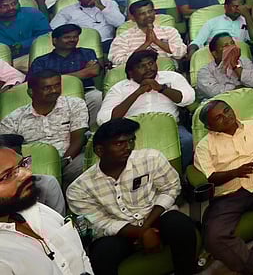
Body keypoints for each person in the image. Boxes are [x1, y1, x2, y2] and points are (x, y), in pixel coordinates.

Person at [67, 118, 197, 275]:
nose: (128, 147)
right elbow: (98, 223)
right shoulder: (79, 188)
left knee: (181, 225)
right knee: (102, 253)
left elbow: (171, 188)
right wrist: (139, 233)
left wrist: (145, 228)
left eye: (131, 141)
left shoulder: (151, 159)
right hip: (120, 233)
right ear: (100, 151)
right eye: (119, 144)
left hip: (156, 218)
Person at [193, 99, 253, 275]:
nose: (226, 117)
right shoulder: (204, 146)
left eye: (227, 110)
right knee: (213, 236)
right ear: (210, 127)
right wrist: (235, 172)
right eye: (218, 118)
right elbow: (210, 178)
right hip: (228, 195)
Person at [0, 145, 93, 275]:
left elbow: (80, 256)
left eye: (23, 164)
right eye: (7, 175)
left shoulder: (37, 209)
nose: (27, 174)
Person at [97, 50, 195, 166]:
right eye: (141, 66)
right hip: (132, 131)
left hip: (170, 127)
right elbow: (103, 119)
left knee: (187, 141)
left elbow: (188, 98)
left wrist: (161, 89)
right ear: (131, 72)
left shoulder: (172, 77)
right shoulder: (119, 88)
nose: (149, 68)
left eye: (151, 63)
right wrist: (138, 93)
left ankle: (178, 173)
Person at [0, 71, 88, 186]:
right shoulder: (13, 119)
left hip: (70, 159)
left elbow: (79, 138)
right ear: (31, 92)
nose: (54, 91)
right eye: (47, 88)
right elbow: (6, 151)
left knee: (82, 165)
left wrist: (64, 161)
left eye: (57, 85)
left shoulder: (74, 104)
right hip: (34, 167)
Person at [28, 24, 104, 124]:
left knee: (97, 97)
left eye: (75, 37)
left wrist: (55, 78)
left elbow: (93, 71)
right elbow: (37, 82)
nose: (72, 40)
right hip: (53, 95)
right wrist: (82, 72)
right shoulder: (41, 61)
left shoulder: (86, 53)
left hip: (86, 91)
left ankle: (91, 130)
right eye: (67, 37)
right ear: (55, 41)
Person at [108, 0, 187, 65]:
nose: (148, 15)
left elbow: (180, 53)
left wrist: (157, 41)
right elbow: (117, 60)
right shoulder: (123, 37)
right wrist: (146, 44)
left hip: (166, 72)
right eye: (142, 14)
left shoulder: (169, 31)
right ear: (133, 18)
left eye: (150, 11)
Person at [52, 0, 123, 50]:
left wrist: (101, 7)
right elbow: (53, 29)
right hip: (80, 45)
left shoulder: (110, 4)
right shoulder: (67, 11)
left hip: (106, 42)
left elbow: (120, 23)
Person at [196, 34, 253, 99]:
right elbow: (214, 93)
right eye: (226, 46)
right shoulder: (205, 72)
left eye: (232, 43)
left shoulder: (244, 61)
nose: (232, 47)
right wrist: (240, 88)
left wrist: (235, 65)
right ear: (215, 54)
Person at [0, 0, 51, 70]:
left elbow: (46, 35)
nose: (11, 8)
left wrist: (23, 45)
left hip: (29, 55)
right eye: (5, 6)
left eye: (14, 4)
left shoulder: (32, 14)